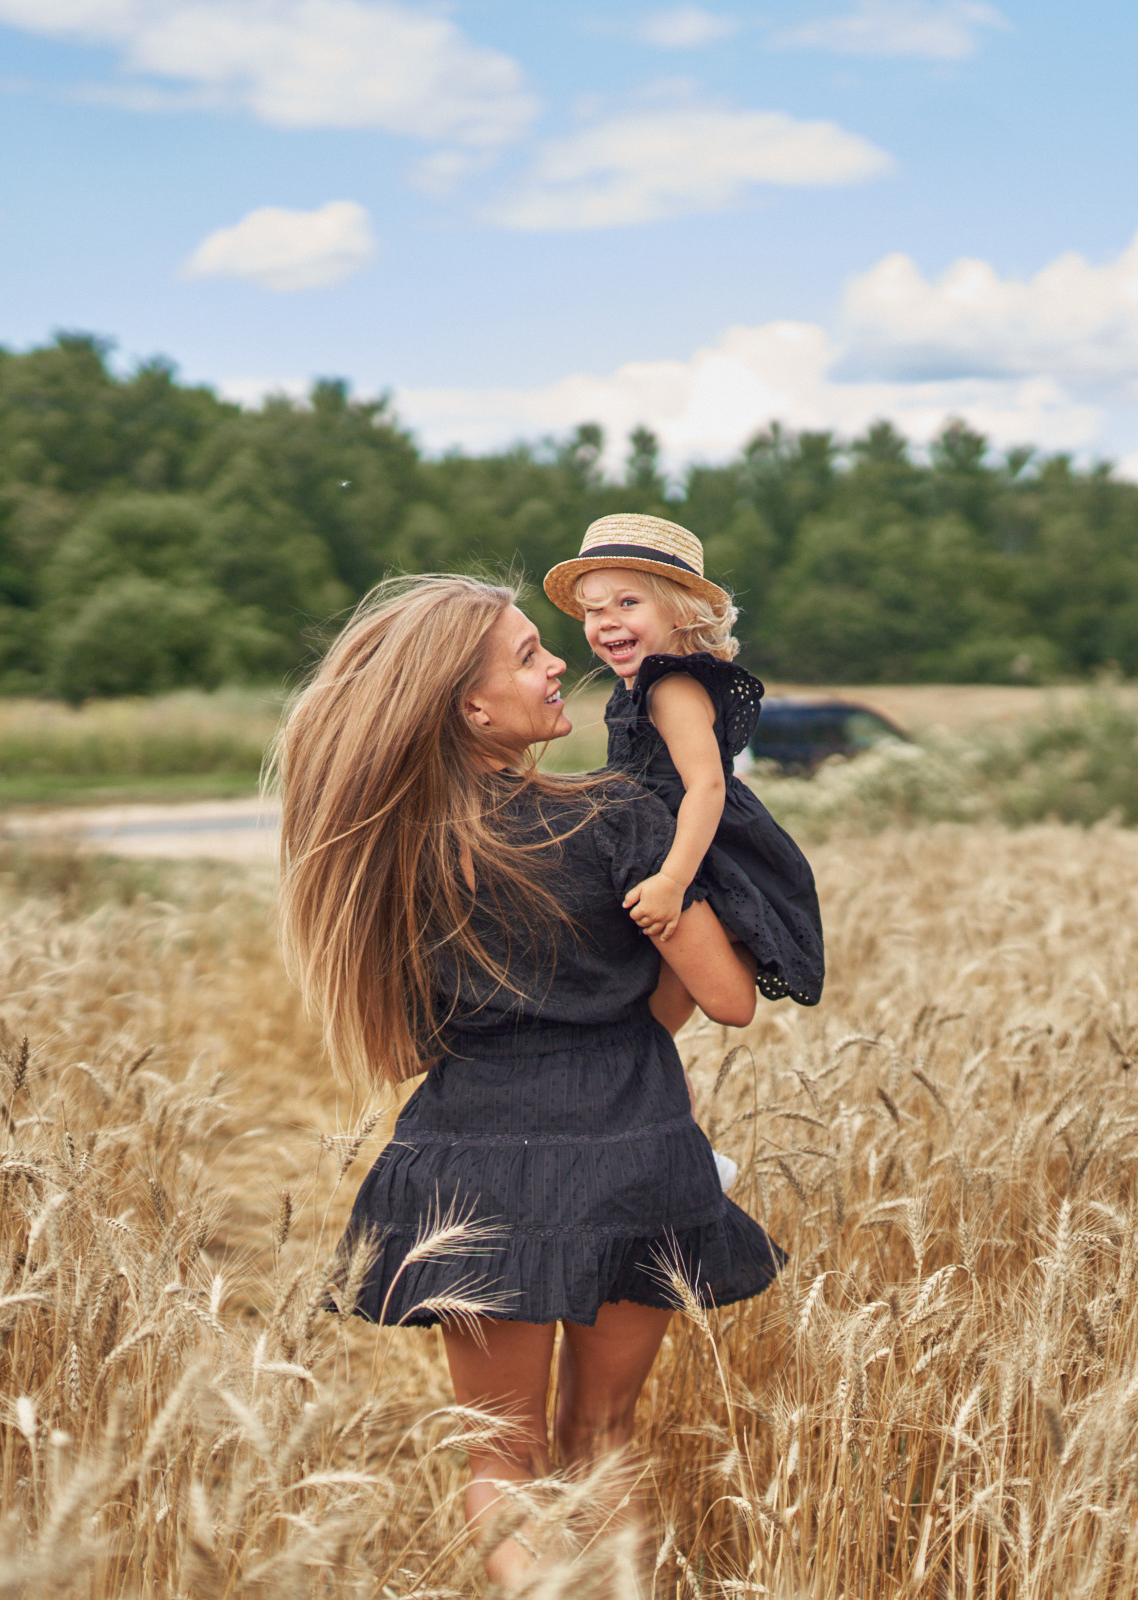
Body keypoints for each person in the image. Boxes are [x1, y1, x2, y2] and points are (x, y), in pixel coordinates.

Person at [274, 574, 786, 1586]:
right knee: (603, 1432)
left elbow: (412, 1041)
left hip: (470, 1165)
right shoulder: (619, 824)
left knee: (499, 1453)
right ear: (471, 705)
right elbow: (725, 998)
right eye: (526, 655)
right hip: (630, 1153)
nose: (560, 662)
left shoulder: (385, 854)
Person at [545, 513, 826, 1019]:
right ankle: (657, 1075)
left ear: (679, 614)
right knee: (660, 996)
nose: (606, 620)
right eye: (593, 610)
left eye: (628, 603)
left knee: (717, 1000)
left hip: (691, 847)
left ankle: (732, 937)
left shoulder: (673, 686)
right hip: (653, 838)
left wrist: (674, 882)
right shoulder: (635, 685)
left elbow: (708, 786)